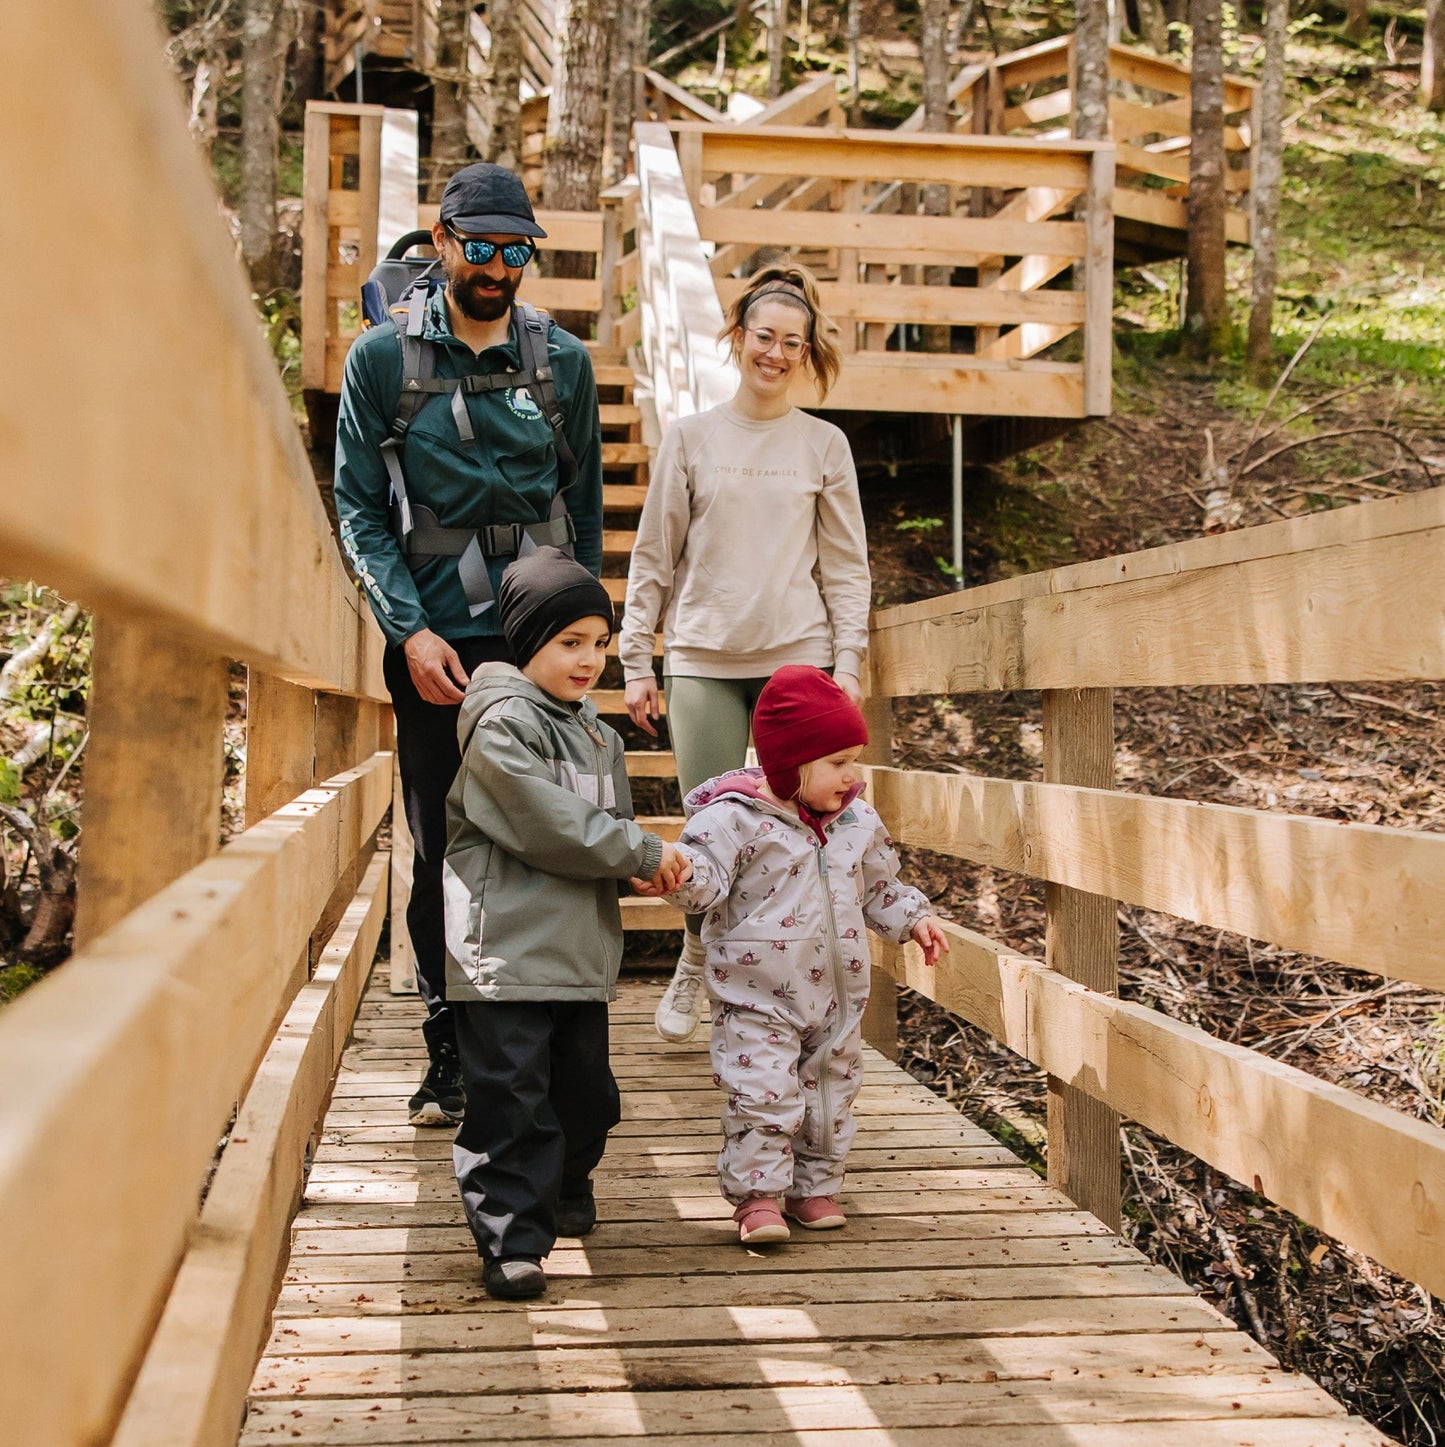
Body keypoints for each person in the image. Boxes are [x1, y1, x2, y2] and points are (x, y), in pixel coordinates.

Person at [333, 162, 603, 1127]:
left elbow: (580, 506)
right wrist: (407, 631)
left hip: (537, 651)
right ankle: (449, 1046)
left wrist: (580, 637)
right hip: (437, 643)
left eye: (513, 249)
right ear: (441, 242)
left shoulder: (561, 362)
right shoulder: (382, 359)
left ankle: (549, 1046)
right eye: (478, 245)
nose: (495, 265)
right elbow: (358, 509)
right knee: (442, 839)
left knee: (552, 838)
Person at [619, 261, 871, 1045]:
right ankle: (695, 957)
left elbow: (845, 563)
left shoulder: (823, 444)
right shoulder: (691, 438)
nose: (775, 352)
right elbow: (653, 556)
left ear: (805, 351)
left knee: (793, 837)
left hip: (795, 659)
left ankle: (765, 995)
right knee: (711, 833)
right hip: (702, 655)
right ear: (736, 337)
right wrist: (635, 657)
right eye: (763, 335)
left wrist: (849, 664)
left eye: (791, 342)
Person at [444, 546, 691, 1299]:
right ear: (527, 643)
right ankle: (512, 1239)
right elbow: (545, 820)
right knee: (511, 1097)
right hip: (505, 948)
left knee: (586, 1092)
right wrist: (637, 846)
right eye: (569, 642)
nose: (590, 660)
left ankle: (563, 1185)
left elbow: (604, 822)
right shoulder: (498, 726)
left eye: (600, 643)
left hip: (577, 946)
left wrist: (636, 862)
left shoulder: (598, 733)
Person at [636, 666, 949, 1243]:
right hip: (755, 994)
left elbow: (881, 887)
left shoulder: (857, 820)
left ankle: (816, 1187)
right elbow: (703, 878)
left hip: (838, 993)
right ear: (790, 763)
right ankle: (758, 1197)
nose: (851, 774)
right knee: (762, 1092)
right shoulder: (731, 820)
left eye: (853, 758)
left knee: (830, 1092)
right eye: (836, 762)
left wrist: (915, 918)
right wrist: (675, 878)